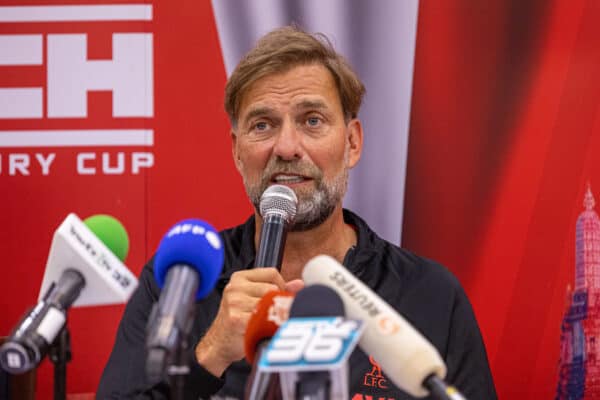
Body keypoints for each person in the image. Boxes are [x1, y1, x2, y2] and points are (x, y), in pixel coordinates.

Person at [97, 26, 497, 399]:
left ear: (352, 143)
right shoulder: (181, 285)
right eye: (263, 125)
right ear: (237, 151)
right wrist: (211, 354)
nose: (287, 147)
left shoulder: (428, 293)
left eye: (312, 120)